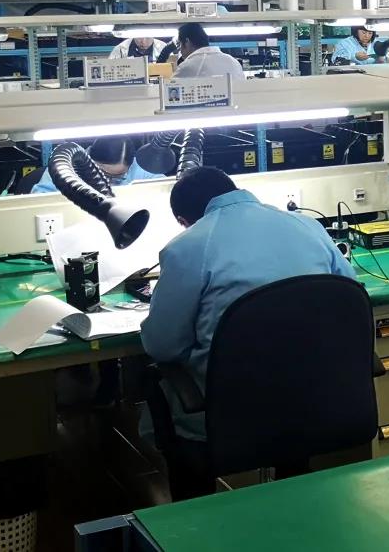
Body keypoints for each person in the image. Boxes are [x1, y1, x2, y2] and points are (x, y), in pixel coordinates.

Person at [140, 167, 356, 442]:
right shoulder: (308, 226)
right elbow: (350, 296)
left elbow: (163, 346)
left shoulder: (185, 247)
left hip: (231, 413)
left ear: (183, 221)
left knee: (154, 416)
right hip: (320, 399)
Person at [31, 135, 162, 194]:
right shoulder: (65, 166)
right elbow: (38, 200)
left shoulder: (141, 167)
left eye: (118, 177)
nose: (107, 182)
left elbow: (164, 190)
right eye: (102, 174)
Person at [172, 23, 245, 80]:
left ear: (187, 42)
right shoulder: (234, 61)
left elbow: (169, 89)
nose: (180, 50)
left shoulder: (188, 66)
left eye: (179, 44)